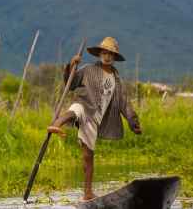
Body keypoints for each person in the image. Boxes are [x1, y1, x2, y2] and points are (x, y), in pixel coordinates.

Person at [47, 37, 142, 200]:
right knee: (76, 109)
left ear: (114, 57)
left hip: (95, 120)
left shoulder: (116, 79)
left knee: (88, 156)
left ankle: (88, 193)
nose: (107, 56)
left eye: (111, 54)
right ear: (99, 54)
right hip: (85, 104)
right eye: (104, 53)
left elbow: (123, 103)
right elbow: (71, 84)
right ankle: (56, 125)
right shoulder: (88, 69)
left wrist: (133, 122)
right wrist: (71, 66)